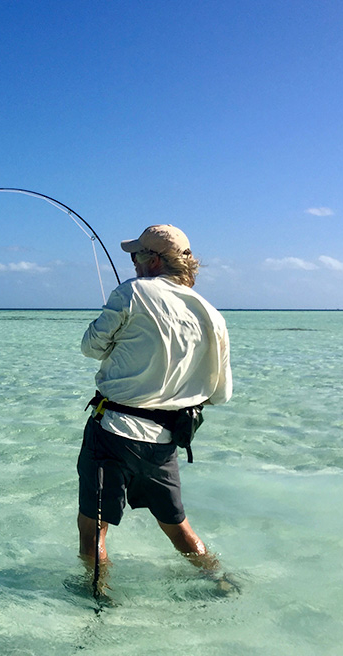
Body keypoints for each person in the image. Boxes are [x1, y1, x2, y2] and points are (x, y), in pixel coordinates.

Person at [76, 224, 233, 596]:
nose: (132, 263)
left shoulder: (132, 292)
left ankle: (97, 596)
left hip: (112, 432)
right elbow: (219, 393)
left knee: (93, 530)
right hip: (165, 442)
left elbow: (90, 347)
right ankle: (219, 580)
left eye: (136, 256)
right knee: (178, 527)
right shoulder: (212, 314)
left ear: (154, 260)